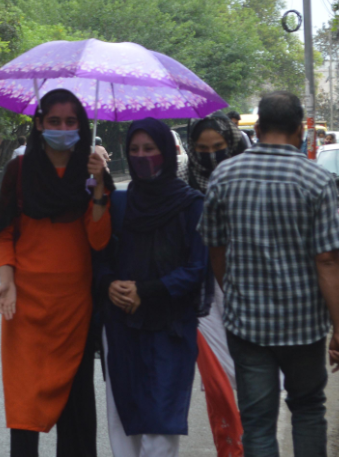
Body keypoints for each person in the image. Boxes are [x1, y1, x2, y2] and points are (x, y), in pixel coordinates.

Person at [198, 91, 339, 457]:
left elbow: (216, 250)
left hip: (247, 325)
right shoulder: (318, 181)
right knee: (308, 410)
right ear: (299, 131)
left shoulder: (224, 176)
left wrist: (234, 294)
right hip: (305, 326)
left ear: (257, 129)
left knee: (257, 421)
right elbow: (327, 261)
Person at [0, 88, 113, 457]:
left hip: (74, 306)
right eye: (54, 121)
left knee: (76, 403)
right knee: (25, 402)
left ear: (82, 126)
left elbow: (99, 238)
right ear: (39, 124)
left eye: (71, 122)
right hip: (24, 305)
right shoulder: (20, 169)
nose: (62, 128)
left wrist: (100, 185)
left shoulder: (91, 172)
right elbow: (4, 231)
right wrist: (7, 281)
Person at [94, 117, 208, 457]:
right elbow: (98, 257)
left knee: (161, 423)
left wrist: (148, 289)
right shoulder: (119, 204)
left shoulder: (191, 204)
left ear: (168, 153)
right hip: (121, 326)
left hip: (170, 325)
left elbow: (197, 268)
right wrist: (109, 284)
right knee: (123, 421)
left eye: (150, 148)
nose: (142, 156)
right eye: (134, 150)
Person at [182, 115, 245, 457]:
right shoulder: (183, 180)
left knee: (255, 384)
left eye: (218, 148)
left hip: (246, 292)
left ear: (230, 144)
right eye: (202, 149)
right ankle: (231, 450)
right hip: (203, 297)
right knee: (218, 387)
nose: (210, 155)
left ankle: (258, 443)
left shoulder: (251, 177)